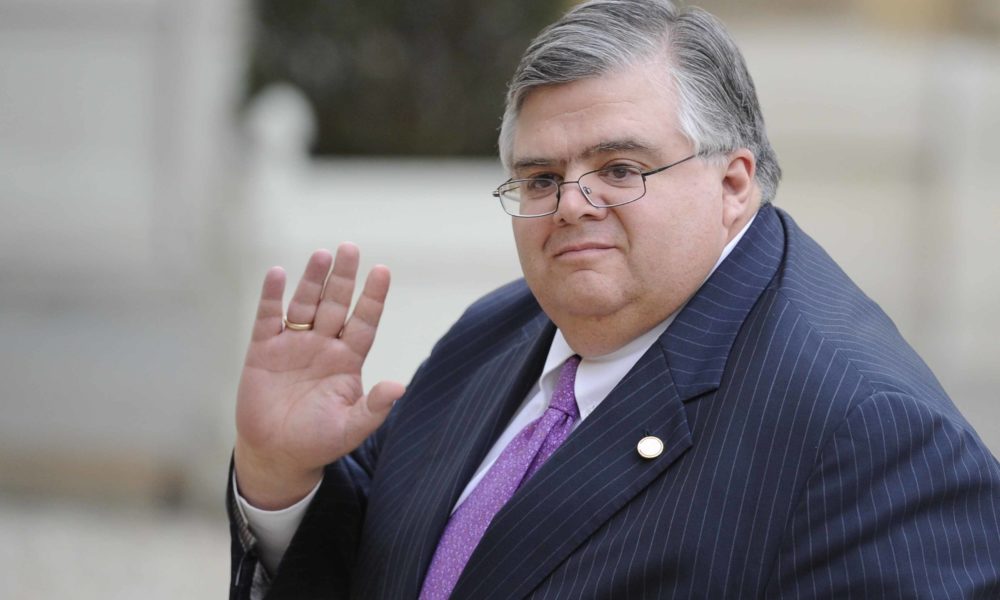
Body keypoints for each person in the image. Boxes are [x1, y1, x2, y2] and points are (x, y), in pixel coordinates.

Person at [228, 0, 1000, 598]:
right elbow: (382, 566)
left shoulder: (867, 432)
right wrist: (280, 479)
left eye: (620, 167)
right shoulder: (495, 331)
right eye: (539, 179)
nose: (570, 204)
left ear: (733, 185)